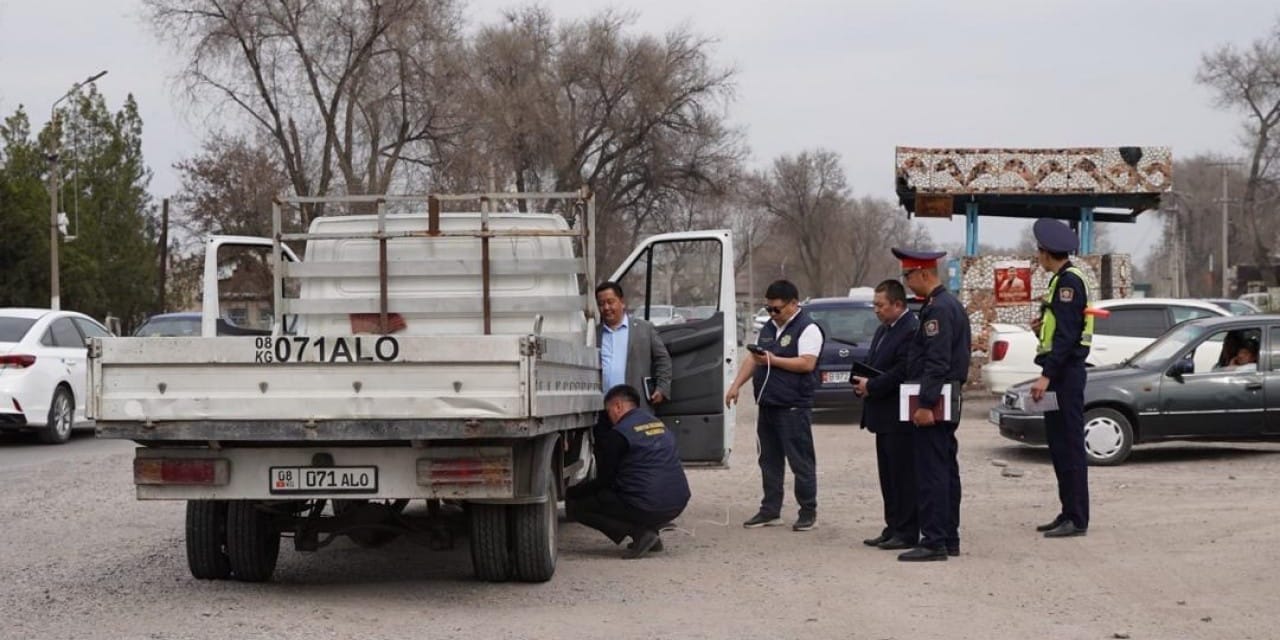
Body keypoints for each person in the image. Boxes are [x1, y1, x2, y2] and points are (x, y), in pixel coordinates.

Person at [725, 280, 824, 532]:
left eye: (776, 309)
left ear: (793, 304)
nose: (772, 314)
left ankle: (807, 511)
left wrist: (774, 359)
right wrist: (736, 384)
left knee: (800, 460)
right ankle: (770, 510)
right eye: (768, 308)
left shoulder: (808, 328)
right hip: (768, 404)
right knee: (768, 459)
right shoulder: (769, 327)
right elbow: (754, 359)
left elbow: (807, 363)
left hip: (793, 405)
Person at [894, 248, 970, 562]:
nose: (907, 283)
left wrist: (925, 404)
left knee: (932, 473)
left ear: (923, 273)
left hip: (936, 404)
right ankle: (948, 537)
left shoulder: (938, 309)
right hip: (945, 399)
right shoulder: (945, 305)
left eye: (908, 276)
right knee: (945, 470)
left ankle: (934, 541)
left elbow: (937, 362)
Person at [565, 384, 691, 558]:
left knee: (580, 507)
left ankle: (640, 534)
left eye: (608, 412)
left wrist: (573, 493)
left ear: (618, 406)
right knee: (637, 489)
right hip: (677, 502)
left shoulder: (619, 434)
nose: (609, 418)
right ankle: (651, 532)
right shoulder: (658, 424)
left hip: (648, 504)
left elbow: (604, 481)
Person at [1028, 218, 1092, 539]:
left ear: (1046, 252)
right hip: (1060, 375)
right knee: (1058, 445)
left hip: (1065, 376)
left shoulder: (1069, 283)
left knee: (1070, 446)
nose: (1037, 257)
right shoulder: (1058, 281)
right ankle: (1067, 511)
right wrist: (1041, 327)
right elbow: (1060, 329)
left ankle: (1077, 518)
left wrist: (1046, 376)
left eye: (1038, 252)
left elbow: (1067, 337)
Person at [852, 279, 920, 551]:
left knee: (903, 477)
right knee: (888, 476)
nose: (876, 310)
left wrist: (874, 386)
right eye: (875, 305)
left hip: (898, 416)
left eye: (881, 305)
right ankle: (892, 526)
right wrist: (860, 381)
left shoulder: (910, 330)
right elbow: (876, 362)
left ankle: (906, 530)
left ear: (898, 304)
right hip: (881, 415)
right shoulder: (884, 330)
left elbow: (903, 370)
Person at [595, 281, 673, 411]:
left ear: (622, 302)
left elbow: (663, 360)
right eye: (601, 304)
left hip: (637, 407)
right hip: (604, 409)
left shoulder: (644, 329)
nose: (606, 307)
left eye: (610, 302)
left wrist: (661, 388)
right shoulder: (594, 335)